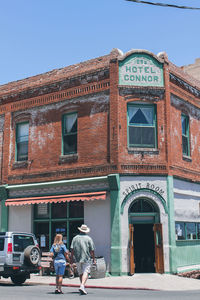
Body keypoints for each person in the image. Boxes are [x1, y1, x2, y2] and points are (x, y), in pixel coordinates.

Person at [70, 224, 96, 295]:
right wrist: (94, 259)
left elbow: (72, 249)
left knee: (80, 273)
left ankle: (82, 286)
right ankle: (82, 285)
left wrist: (71, 258)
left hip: (77, 258)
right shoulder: (89, 238)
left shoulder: (75, 238)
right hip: (86, 258)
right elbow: (92, 250)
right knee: (86, 272)